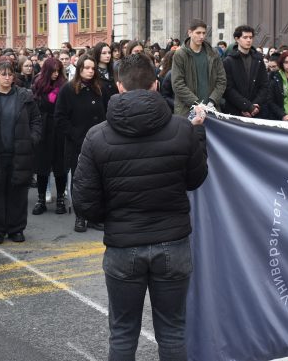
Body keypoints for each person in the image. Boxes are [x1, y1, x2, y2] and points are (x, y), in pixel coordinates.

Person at [72, 53, 208, 361]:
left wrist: (114, 217)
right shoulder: (181, 130)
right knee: (172, 331)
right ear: (156, 85)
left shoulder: (97, 137)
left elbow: (84, 202)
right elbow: (196, 179)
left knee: (122, 333)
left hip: (123, 246)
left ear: (119, 87)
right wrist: (198, 134)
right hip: (173, 245)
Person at [0, 60, 42, 244]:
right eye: (3, 74)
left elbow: (36, 120)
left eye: (10, 74)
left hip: (19, 152)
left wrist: (32, 140)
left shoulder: (24, 96)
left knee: (18, 191)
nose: (7, 77)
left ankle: (16, 228)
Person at [55, 55, 107, 232]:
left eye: (93, 68)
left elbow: (104, 114)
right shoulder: (68, 90)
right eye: (87, 68)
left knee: (98, 180)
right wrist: (75, 134)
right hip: (77, 143)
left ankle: (94, 216)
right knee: (79, 180)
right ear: (79, 69)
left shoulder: (98, 89)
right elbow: (60, 118)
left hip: (99, 142)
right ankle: (80, 216)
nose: (90, 71)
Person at [31, 57, 68, 215]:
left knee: (61, 166)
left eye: (58, 71)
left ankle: (60, 199)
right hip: (43, 128)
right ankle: (41, 200)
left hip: (59, 128)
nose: (56, 74)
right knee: (41, 167)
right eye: (53, 71)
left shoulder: (64, 86)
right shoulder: (38, 84)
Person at [171, 21, 226, 116]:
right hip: (187, 110)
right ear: (190, 33)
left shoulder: (213, 53)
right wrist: (195, 103)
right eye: (198, 33)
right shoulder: (180, 54)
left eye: (204, 33)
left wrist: (212, 101)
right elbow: (177, 83)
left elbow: (222, 80)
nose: (202, 36)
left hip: (211, 109)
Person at [222, 25, 269, 117]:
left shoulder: (258, 59)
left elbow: (264, 85)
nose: (248, 40)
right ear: (237, 39)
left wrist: (254, 106)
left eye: (250, 37)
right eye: (245, 37)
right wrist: (246, 106)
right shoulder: (228, 61)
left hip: (256, 110)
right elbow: (228, 89)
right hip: (235, 111)